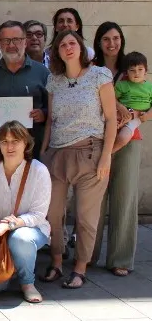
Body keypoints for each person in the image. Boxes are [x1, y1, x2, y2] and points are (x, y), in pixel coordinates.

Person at [40, 30, 117, 289]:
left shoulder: (99, 75)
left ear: (81, 48)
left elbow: (111, 118)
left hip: (90, 152)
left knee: (86, 216)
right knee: (53, 214)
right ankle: (57, 262)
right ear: (57, 52)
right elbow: (51, 119)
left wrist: (106, 156)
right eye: (62, 45)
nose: (68, 47)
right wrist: (44, 152)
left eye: (73, 43)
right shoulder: (54, 81)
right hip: (58, 154)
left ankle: (80, 267)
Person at [0, 121, 51, 303]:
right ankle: (11, 266)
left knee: (21, 238)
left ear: (26, 143)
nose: (9, 146)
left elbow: (38, 215)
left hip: (31, 230)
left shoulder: (39, 171)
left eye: (15, 141)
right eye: (4, 141)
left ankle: (27, 282)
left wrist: (8, 224)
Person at [91, 22, 141, 277]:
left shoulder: (131, 68)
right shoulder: (91, 69)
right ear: (98, 42)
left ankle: (120, 258)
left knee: (125, 197)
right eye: (106, 39)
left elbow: (146, 101)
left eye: (116, 38)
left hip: (128, 140)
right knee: (93, 199)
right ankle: (87, 254)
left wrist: (133, 115)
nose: (112, 43)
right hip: (96, 139)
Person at [0, 20, 50, 164]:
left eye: (16, 40)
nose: (11, 45)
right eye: (6, 40)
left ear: (25, 42)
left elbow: (55, 109)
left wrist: (43, 114)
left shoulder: (43, 73)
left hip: (32, 151)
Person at [112, 52, 152, 153]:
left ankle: (109, 153)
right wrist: (121, 108)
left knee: (123, 137)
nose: (136, 73)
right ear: (126, 73)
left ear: (146, 71)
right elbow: (112, 99)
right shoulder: (122, 85)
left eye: (140, 69)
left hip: (139, 116)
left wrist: (147, 115)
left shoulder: (150, 87)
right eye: (132, 70)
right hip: (123, 111)